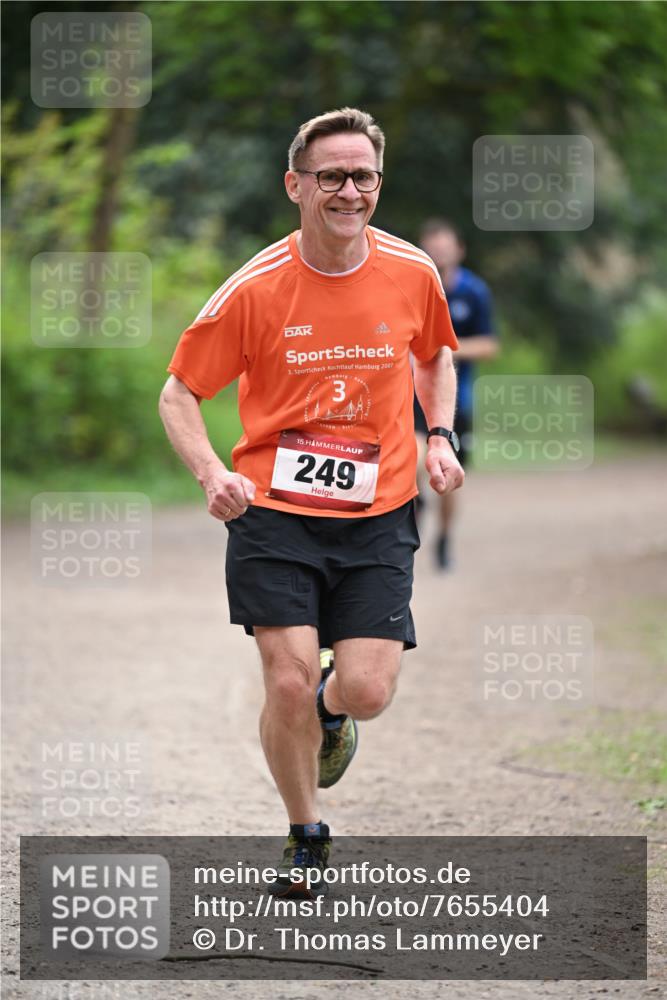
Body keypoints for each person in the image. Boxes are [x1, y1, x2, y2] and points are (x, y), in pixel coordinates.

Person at [159, 108, 463, 899]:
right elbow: (179, 394)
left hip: (378, 510)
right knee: (286, 680)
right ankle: (306, 834)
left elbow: (433, 355)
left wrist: (438, 436)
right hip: (272, 512)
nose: (348, 191)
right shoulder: (255, 287)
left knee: (366, 691)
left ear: (378, 183)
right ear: (295, 185)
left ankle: (334, 714)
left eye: (362, 176)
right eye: (331, 176)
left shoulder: (411, 271)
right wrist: (211, 476)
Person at [414, 219, 498, 569]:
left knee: (448, 475)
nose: (439, 253)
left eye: (445, 247)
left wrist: (443, 348)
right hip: (412, 395)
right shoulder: (413, 285)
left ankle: (445, 537)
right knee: (413, 459)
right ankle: (415, 503)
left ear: (459, 251)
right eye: (433, 247)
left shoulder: (474, 291)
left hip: (455, 401)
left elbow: (489, 345)